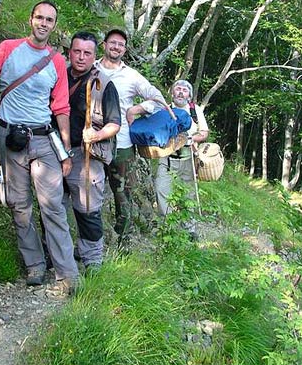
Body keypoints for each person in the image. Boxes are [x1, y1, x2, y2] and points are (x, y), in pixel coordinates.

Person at [0, 0, 80, 297]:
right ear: (31, 19)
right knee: (18, 203)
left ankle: (68, 275)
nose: (43, 23)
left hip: (43, 138)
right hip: (9, 136)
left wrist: (65, 148)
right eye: (39, 17)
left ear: (54, 26)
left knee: (52, 205)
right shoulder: (7, 48)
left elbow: (61, 106)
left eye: (49, 20)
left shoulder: (56, 61)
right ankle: (35, 265)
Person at [95, 28, 167, 237]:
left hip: (122, 144)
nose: (116, 47)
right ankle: (93, 239)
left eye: (121, 44)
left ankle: (122, 239)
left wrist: (137, 109)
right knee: (89, 192)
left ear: (124, 50)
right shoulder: (91, 68)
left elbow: (158, 98)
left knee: (123, 195)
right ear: (104, 44)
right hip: (93, 141)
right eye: (113, 42)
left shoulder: (131, 75)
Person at [63, 31, 121, 270]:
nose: (81, 57)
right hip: (55, 151)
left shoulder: (104, 84)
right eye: (77, 51)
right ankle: (56, 255)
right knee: (53, 207)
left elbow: (114, 124)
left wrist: (96, 135)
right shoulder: (58, 76)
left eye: (87, 53)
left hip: (87, 154)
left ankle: (92, 260)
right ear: (69, 52)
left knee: (87, 209)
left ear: (94, 55)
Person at [127, 79, 209, 220]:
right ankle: (167, 223)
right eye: (178, 89)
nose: (181, 93)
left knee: (188, 194)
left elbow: (204, 133)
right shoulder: (163, 109)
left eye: (184, 90)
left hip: (188, 156)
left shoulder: (195, 110)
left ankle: (188, 226)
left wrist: (190, 139)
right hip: (167, 158)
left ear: (189, 95)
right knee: (161, 188)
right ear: (172, 93)